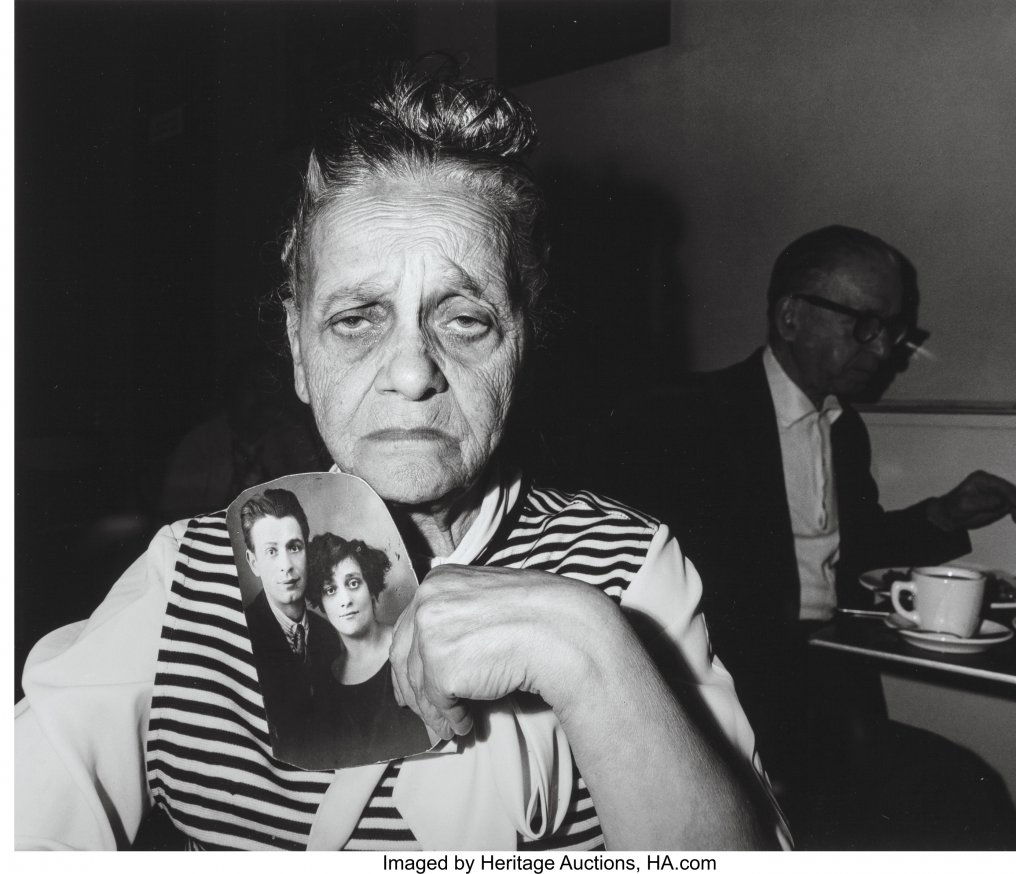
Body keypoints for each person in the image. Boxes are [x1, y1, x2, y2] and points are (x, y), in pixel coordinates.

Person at [15, 62, 786, 851]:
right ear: (298, 350)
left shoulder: (632, 565)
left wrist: (589, 653)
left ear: (522, 346)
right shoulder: (183, 577)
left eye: (465, 320)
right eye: (356, 319)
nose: (413, 371)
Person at [600, 224, 1016, 848]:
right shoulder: (692, 417)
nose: (884, 347)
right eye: (865, 325)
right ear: (790, 316)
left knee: (966, 789)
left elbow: (851, 556)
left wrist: (943, 516)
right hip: (731, 691)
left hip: (831, 677)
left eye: (892, 331)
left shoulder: (842, 428)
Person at [294, 533, 432, 770]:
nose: (345, 600)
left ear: (371, 587)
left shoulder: (409, 645)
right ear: (321, 602)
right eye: (330, 590)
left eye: (353, 583)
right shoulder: (326, 679)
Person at [239, 488, 340, 762]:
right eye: (271, 551)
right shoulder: (241, 633)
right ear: (253, 562)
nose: (286, 566)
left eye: (294, 547)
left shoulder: (330, 635)